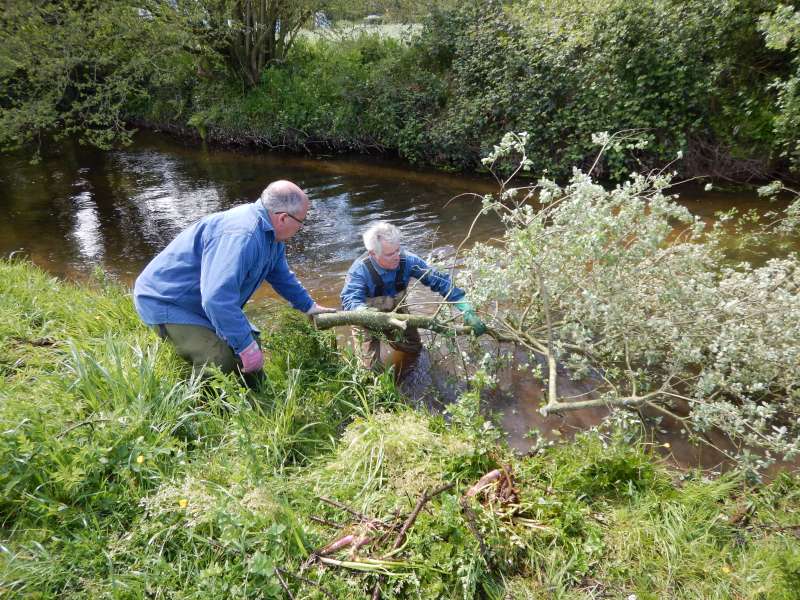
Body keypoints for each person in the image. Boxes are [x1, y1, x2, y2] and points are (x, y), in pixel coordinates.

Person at [133, 180, 335, 382]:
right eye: (301, 222)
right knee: (219, 359)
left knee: (250, 341)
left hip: (198, 301)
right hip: (167, 301)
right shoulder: (243, 235)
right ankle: (195, 398)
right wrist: (245, 347)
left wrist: (309, 306)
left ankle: (255, 395)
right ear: (283, 218)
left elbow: (280, 276)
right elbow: (216, 299)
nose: (300, 228)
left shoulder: (271, 236)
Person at [340, 221, 486, 370]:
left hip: (396, 310)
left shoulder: (409, 261)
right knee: (370, 368)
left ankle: (409, 375)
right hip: (364, 318)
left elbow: (441, 281)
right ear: (373, 254)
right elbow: (350, 300)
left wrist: (466, 308)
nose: (397, 256)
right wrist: (366, 314)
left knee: (414, 348)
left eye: (398, 250)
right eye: (390, 254)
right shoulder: (359, 271)